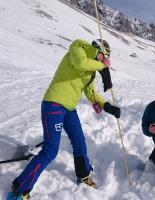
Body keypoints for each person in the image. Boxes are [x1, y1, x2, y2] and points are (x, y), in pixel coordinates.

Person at [7, 39, 121, 200]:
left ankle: (83, 175)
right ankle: (19, 189)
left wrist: (107, 105)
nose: (104, 60)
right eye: (104, 56)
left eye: (106, 58)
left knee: (80, 142)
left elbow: (91, 92)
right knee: (50, 150)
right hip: (53, 104)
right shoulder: (78, 48)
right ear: (97, 50)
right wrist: (103, 66)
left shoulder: (91, 71)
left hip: (69, 109)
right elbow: (81, 64)